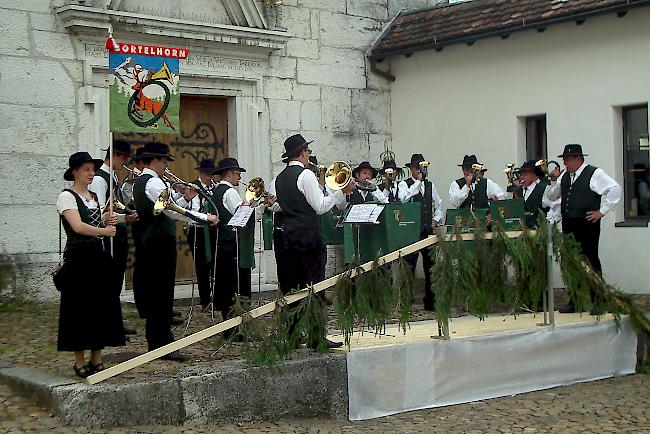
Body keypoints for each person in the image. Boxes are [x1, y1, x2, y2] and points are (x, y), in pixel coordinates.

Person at [132, 142, 218, 361]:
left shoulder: (146, 181)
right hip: (158, 244)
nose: (166, 167)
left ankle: (158, 341)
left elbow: (167, 208)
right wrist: (204, 218)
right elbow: (174, 212)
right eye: (164, 162)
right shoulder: (152, 182)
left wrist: (185, 197)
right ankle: (162, 343)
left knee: (159, 294)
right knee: (161, 295)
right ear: (157, 161)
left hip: (153, 243)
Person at [274, 134, 352, 348]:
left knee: (293, 288)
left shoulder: (280, 178)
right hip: (308, 238)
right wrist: (338, 193)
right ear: (302, 153)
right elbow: (319, 207)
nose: (309, 155)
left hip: (289, 238)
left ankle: (292, 335)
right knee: (315, 287)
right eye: (307, 151)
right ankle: (317, 337)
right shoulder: (305, 175)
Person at [56, 152, 125, 378]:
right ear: (75, 172)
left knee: (101, 306)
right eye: (86, 170)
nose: (90, 174)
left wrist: (108, 219)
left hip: (98, 256)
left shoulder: (94, 196)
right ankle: (79, 360)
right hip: (79, 259)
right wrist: (104, 231)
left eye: (92, 170)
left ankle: (97, 356)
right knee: (78, 309)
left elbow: (96, 221)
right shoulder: (67, 197)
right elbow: (78, 226)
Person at [545, 144, 621, 314]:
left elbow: (615, 189)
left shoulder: (594, 173)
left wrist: (602, 211)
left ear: (578, 158)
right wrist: (554, 180)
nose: (566, 163)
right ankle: (576, 300)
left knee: (590, 260)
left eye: (568, 160)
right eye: (564, 160)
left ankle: (599, 300)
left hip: (587, 222)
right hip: (569, 222)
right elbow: (552, 196)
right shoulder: (565, 175)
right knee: (571, 262)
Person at [89, 139, 139, 336]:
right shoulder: (101, 179)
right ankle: (109, 324)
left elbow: (121, 201)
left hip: (117, 234)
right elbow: (100, 212)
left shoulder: (114, 177)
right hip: (108, 237)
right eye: (125, 158)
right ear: (116, 156)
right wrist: (123, 218)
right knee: (110, 281)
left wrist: (129, 183)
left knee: (116, 280)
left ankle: (114, 322)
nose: (125, 162)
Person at [212, 158, 259, 323]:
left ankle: (229, 322)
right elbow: (241, 216)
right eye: (238, 174)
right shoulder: (230, 191)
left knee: (226, 284)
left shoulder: (217, 191)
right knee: (237, 284)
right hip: (233, 245)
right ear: (230, 173)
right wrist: (255, 206)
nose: (239, 178)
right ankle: (239, 323)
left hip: (222, 244)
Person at [398, 153, 444, 311]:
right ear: (411, 168)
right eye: (417, 167)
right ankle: (406, 300)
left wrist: (435, 220)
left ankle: (430, 301)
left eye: (422, 167)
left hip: (427, 230)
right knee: (409, 265)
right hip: (411, 230)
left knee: (430, 266)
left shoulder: (430, 185)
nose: (420, 170)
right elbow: (403, 199)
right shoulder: (404, 184)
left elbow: (439, 206)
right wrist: (418, 182)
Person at [180, 159, 219, 310]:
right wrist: (207, 217)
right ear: (202, 173)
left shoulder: (214, 187)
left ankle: (216, 297)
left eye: (212, 174)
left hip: (213, 230)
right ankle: (205, 300)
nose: (210, 177)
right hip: (198, 231)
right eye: (208, 174)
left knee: (215, 264)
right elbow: (193, 211)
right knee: (202, 266)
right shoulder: (193, 187)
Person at [517, 160, 549, 228]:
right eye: (521, 174)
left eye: (525, 174)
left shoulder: (542, 189)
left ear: (533, 176)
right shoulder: (517, 191)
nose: (522, 177)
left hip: (539, 229)